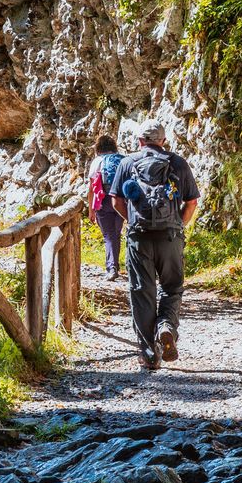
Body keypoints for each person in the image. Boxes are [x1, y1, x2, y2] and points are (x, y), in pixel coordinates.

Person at [111, 119, 200, 371]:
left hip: (139, 237)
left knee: (142, 292)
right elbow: (191, 202)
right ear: (163, 141)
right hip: (170, 237)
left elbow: (116, 202)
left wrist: (134, 222)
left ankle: (149, 354)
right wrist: (177, 224)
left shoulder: (127, 163)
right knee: (172, 288)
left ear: (139, 141)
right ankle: (166, 327)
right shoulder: (177, 162)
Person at [87, 135, 125, 281]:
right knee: (116, 233)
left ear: (98, 148)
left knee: (109, 235)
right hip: (121, 199)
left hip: (103, 200)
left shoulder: (97, 161)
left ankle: (112, 268)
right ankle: (115, 265)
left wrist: (91, 210)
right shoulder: (122, 159)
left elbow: (92, 188)